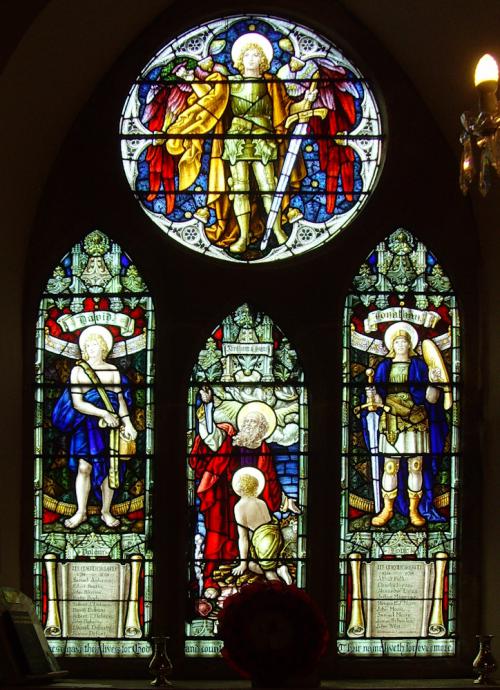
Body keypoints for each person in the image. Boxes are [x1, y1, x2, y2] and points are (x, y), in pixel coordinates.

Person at [164, 33, 316, 253]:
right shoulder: (229, 83)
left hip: (264, 138)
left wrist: (305, 103)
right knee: (239, 188)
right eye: (248, 55)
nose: (252, 59)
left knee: (269, 186)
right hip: (236, 138)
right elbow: (209, 100)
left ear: (264, 60)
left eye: (257, 55)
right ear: (240, 60)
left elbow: (286, 110)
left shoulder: (271, 84)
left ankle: (277, 230)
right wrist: (190, 79)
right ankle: (243, 236)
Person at [189, 385, 300, 597]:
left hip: (250, 499)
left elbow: (271, 481)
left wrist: (286, 502)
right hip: (223, 497)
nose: (249, 426)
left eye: (255, 423)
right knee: (216, 536)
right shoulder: (230, 439)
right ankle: (211, 580)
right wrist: (208, 405)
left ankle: (268, 575)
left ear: (262, 428)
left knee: (255, 540)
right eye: (247, 422)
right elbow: (210, 437)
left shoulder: (264, 449)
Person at [363, 322, 449, 528]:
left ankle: (414, 510)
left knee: (416, 466)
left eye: (405, 341)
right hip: (391, 419)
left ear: (410, 344)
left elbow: (431, 399)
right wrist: (372, 396)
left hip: (416, 419)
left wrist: (435, 383)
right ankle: (387, 509)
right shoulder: (384, 366)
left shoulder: (419, 366)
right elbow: (378, 398)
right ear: (392, 344)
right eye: (397, 342)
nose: (401, 345)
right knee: (390, 467)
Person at [52, 326, 137, 528]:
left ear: (103, 348)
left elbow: (120, 400)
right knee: (84, 467)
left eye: (95, 345)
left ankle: (106, 512)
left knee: (110, 469)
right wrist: (103, 413)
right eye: (88, 345)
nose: (91, 349)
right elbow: (78, 403)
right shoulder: (78, 371)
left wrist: (128, 423)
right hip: (86, 424)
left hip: (111, 426)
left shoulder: (113, 371)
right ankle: (80, 512)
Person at [231, 467, 292, 584]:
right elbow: (265, 523)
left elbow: (243, 537)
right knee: (259, 563)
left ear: (241, 487)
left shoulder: (239, 507)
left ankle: (281, 593)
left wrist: (243, 563)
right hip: (275, 535)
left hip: (264, 541)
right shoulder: (261, 502)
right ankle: (280, 569)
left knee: (266, 572)